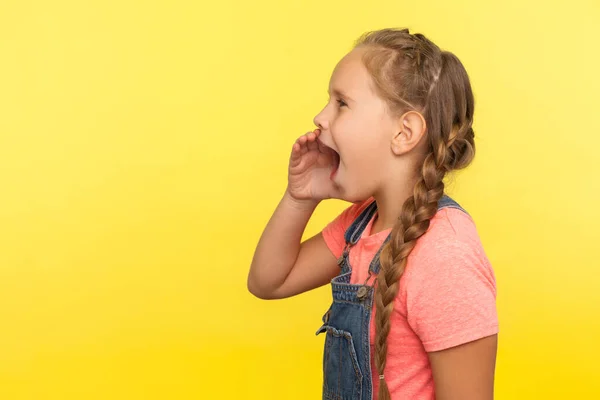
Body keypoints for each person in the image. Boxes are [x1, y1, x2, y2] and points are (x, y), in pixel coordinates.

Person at [247, 27, 498, 400]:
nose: (320, 117)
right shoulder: (363, 224)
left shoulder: (446, 257)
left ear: (404, 133)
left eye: (342, 103)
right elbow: (268, 282)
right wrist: (300, 198)